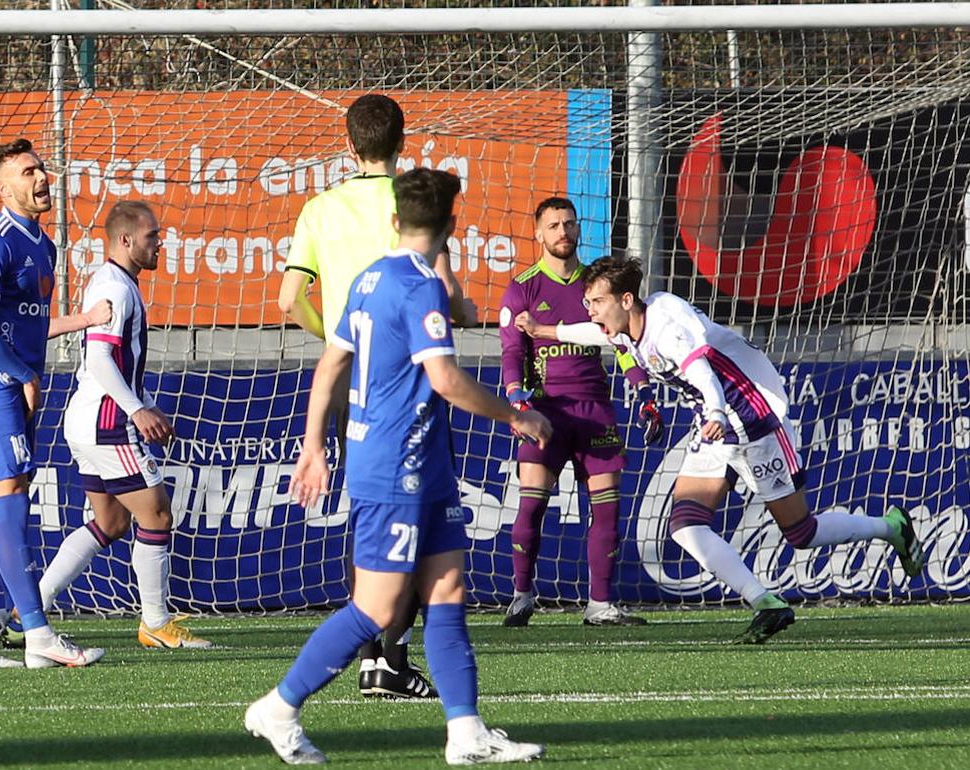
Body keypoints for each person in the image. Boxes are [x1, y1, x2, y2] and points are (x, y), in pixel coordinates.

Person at [245, 168, 549, 765]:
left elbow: (330, 365)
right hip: (395, 465)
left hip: (421, 463)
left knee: (448, 590)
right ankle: (279, 707)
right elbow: (445, 379)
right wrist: (516, 417)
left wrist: (314, 444)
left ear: (394, 222)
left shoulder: (367, 277)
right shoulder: (419, 286)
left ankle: (465, 733)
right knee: (379, 609)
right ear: (451, 229)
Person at [579, 256, 925, 644]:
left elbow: (704, 375)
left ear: (625, 300)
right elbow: (588, 333)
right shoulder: (625, 328)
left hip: (752, 421)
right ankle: (766, 602)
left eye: (596, 302)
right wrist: (544, 328)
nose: (591, 313)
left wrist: (715, 411)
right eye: (587, 304)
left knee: (801, 533)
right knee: (684, 525)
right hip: (715, 429)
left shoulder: (667, 330)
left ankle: (891, 527)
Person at [277, 93, 475, 699]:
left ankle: (371, 655)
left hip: (349, 379)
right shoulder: (414, 204)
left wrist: (343, 336)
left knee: (370, 507)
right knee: (421, 510)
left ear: (348, 144)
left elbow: (289, 300)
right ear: (401, 140)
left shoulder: (321, 206)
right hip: (412, 378)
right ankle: (388, 653)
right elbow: (446, 293)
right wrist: (461, 312)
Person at [0, 138, 107, 668]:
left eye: (41, 168)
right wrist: (20, 375)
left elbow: (30, 324)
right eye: (27, 171)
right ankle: (36, 633)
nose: (41, 178)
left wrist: (27, 377)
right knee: (11, 506)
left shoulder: (42, 243)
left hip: (15, 389)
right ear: (0, 189)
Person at [38, 201, 210, 649]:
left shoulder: (116, 282)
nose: (160, 243)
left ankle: (31, 606)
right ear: (127, 240)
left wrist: (145, 402)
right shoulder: (115, 286)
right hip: (107, 421)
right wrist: (135, 409)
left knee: (111, 522)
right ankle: (155, 622)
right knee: (156, 515)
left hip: (87, 417)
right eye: (153, 235)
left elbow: (116, 363)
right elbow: (98, 357)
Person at [496, 196, 660, 628]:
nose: (563, 232)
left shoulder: (595, 286)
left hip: (595, 411)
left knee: (606, 508)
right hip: (546, 411)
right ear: (538, 233)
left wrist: (641, 389)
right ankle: (521, 594)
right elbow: (512, 352)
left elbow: (621, 341)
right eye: (553, 225)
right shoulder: (523, 287)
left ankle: (600, 605)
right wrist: (516, 398)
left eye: (569, 224)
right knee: (531, 505)